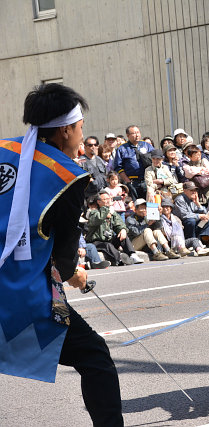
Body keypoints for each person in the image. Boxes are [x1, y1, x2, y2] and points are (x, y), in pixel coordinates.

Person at [0, 83, 123, 425]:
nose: (83, 134)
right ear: (66, 129)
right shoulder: (68, 177)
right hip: (19, 295)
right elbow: (66, 263)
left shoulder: (3, 150)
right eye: (81, 127)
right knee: (95, 357)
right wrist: (75, 274)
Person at [112, 125, 154, 199]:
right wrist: (128, 181)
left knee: (150, 204)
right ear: (128, 135)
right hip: (132, 182)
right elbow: (118, 167)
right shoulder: (122, 148)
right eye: (134, 133)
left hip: (147, 181)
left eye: (138, 132)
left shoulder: (146, 145)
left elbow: (155, 159)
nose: (137, 135)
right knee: (135, 205)